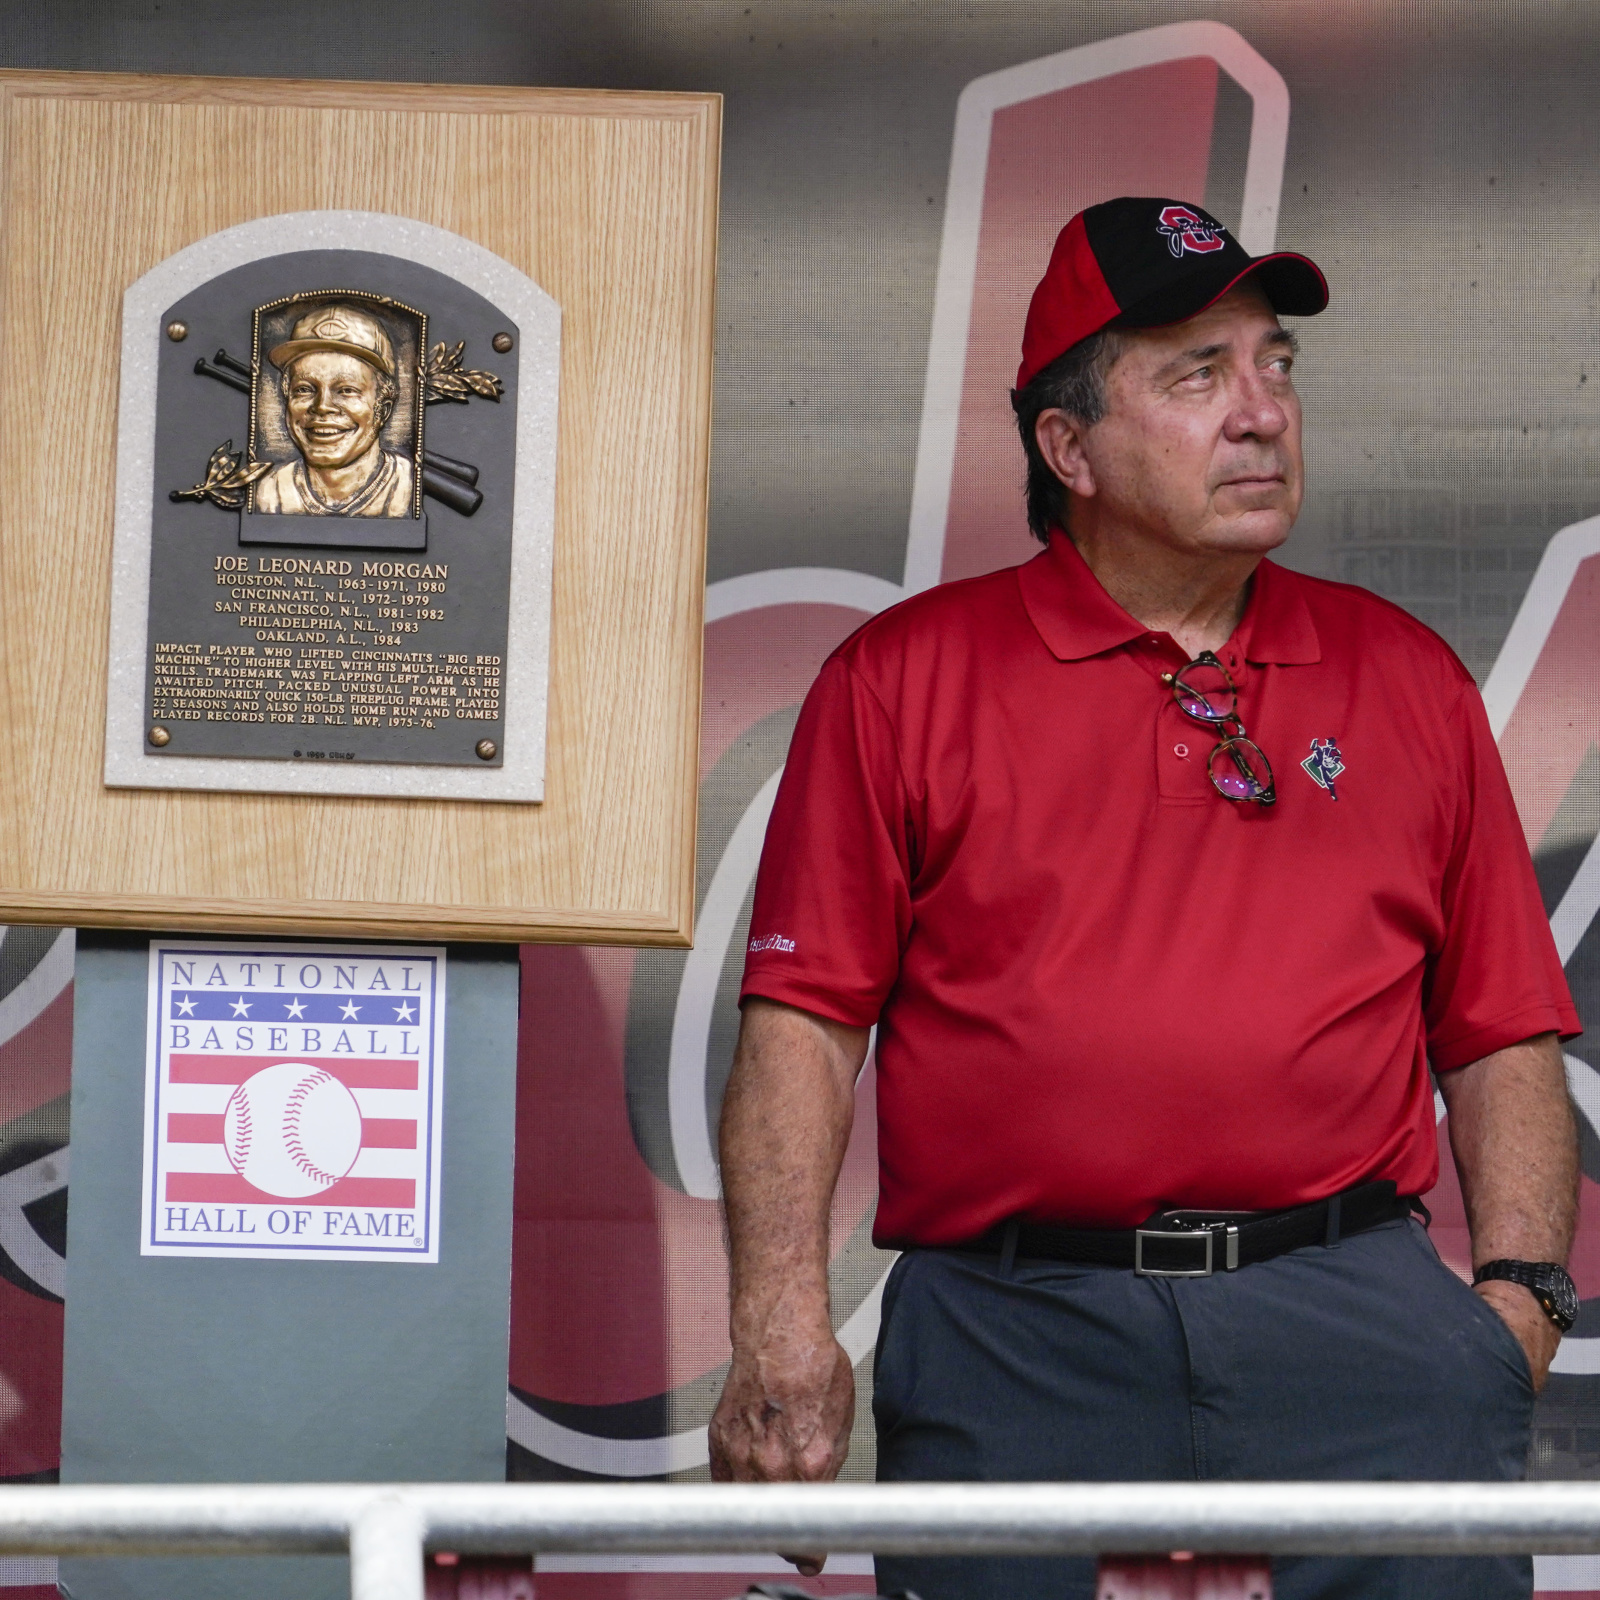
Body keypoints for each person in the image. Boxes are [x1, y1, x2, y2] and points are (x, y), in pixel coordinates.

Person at [708, 196, 1582, 1600]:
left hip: (1357, 1319)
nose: (1262, 414)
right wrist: (778, 1328)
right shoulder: (904, 679)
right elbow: (804, 1024)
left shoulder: (1408, 676)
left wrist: (1517, 1307)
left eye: (1276, 366)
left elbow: (1500, 1032)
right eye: (1197, 375)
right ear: (1069, 448)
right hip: (1019, 1329)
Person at [254, 302, 415, 517]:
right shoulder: (267, 494)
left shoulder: (411, 489)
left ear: (383, 410)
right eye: (304, 389)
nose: (322, 406)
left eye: (346, 390)